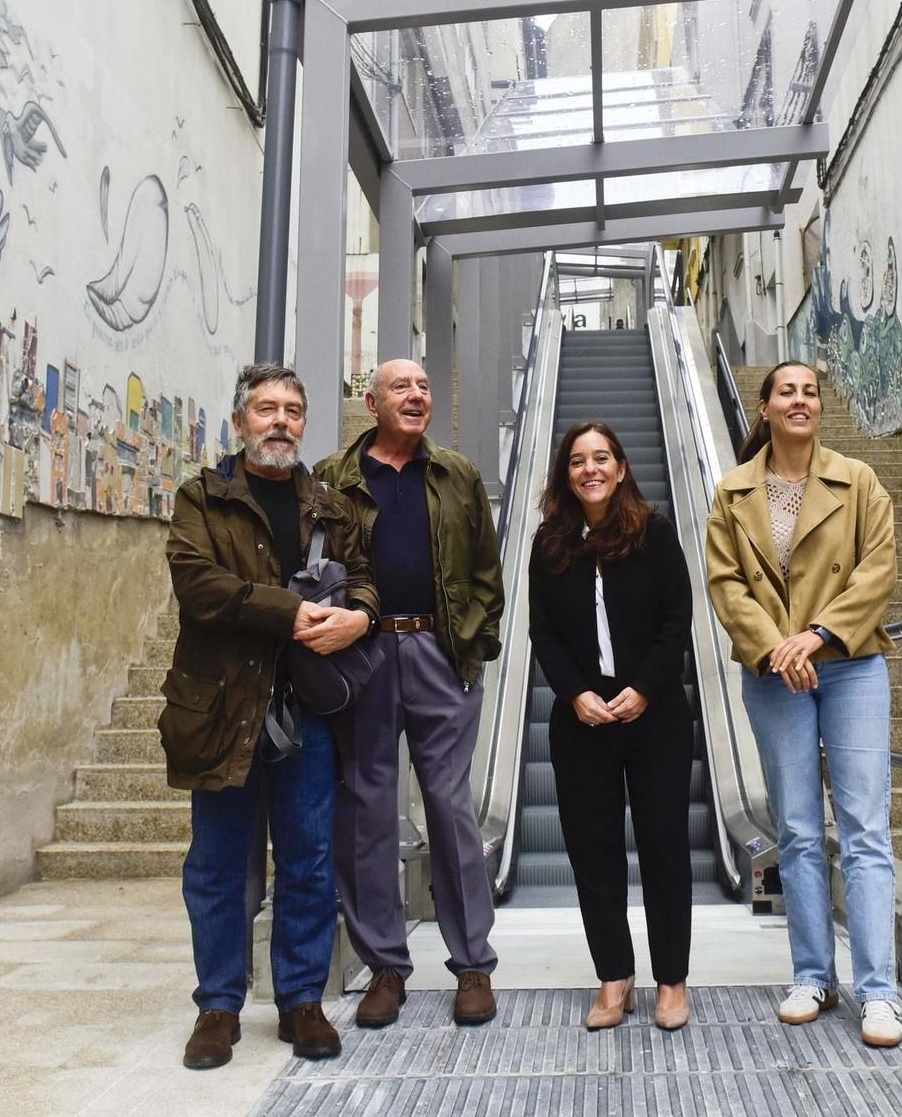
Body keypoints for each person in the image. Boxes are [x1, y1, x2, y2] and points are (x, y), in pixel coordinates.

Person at [160, 363, 377, 1069]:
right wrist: (289, 612)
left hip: (307, 708)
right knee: (218, 863)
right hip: (224, 706)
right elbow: (198, 585)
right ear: (240, 420)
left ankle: (300, 1001)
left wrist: (360, 617)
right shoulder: (203, 495)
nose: (279, 420)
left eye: (291, 409)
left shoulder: (330, 503)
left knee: (309, 858)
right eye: (265, 408)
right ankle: (218, 1007)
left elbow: (366, 577)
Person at [704, 360, 902, 1048]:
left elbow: (879, 569)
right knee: (795, 827)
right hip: (772, 671)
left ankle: (879, 989)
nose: (799, 400)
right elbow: (726, 585)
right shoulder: (732, 492)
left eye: (810, 391)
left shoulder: (861, 481)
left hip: (849, 663)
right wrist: (777, 648)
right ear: (763, 407)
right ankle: (812, 973)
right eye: (786, 390)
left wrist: (814, 638)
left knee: (865, 827)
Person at [314, 358, 505, 1028]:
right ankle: (386, 967)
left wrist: (474, 644)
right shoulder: (333, 479)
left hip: (440, 653)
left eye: (425, 385)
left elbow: (488, 572)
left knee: (450, 809)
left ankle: (472, 962)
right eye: (403, 386)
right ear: (371, 402)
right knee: (366, 808)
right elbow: (314, 566)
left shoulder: (457, 474)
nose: (418, 394)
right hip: (362, 655)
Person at [528, 422, 695, 1032]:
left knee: (664, 847)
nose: (590, 469)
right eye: (577, 460)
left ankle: (671, 980)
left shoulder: (654, 533)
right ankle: (614, 976)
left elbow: (678, 619)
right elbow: (541, 631)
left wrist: (645, 688)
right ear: (565, 474)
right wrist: (574, 693)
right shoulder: (549, 543)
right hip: (582, 717)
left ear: (621, 468)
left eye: (601, 458)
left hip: (655, 713)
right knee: (593, 852)